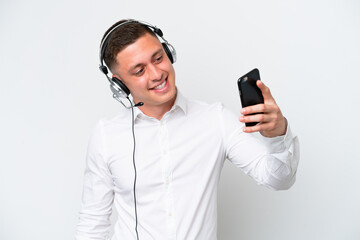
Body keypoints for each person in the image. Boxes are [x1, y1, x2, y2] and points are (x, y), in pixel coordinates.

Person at [75, 19, 299, 240]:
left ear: (168, 53)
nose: (156, 74)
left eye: (158, 58)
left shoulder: (215, 119)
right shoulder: (106, 135)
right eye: (139, 70)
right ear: (119, 85)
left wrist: (276, 135)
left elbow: (279, 180)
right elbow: (91, 225)